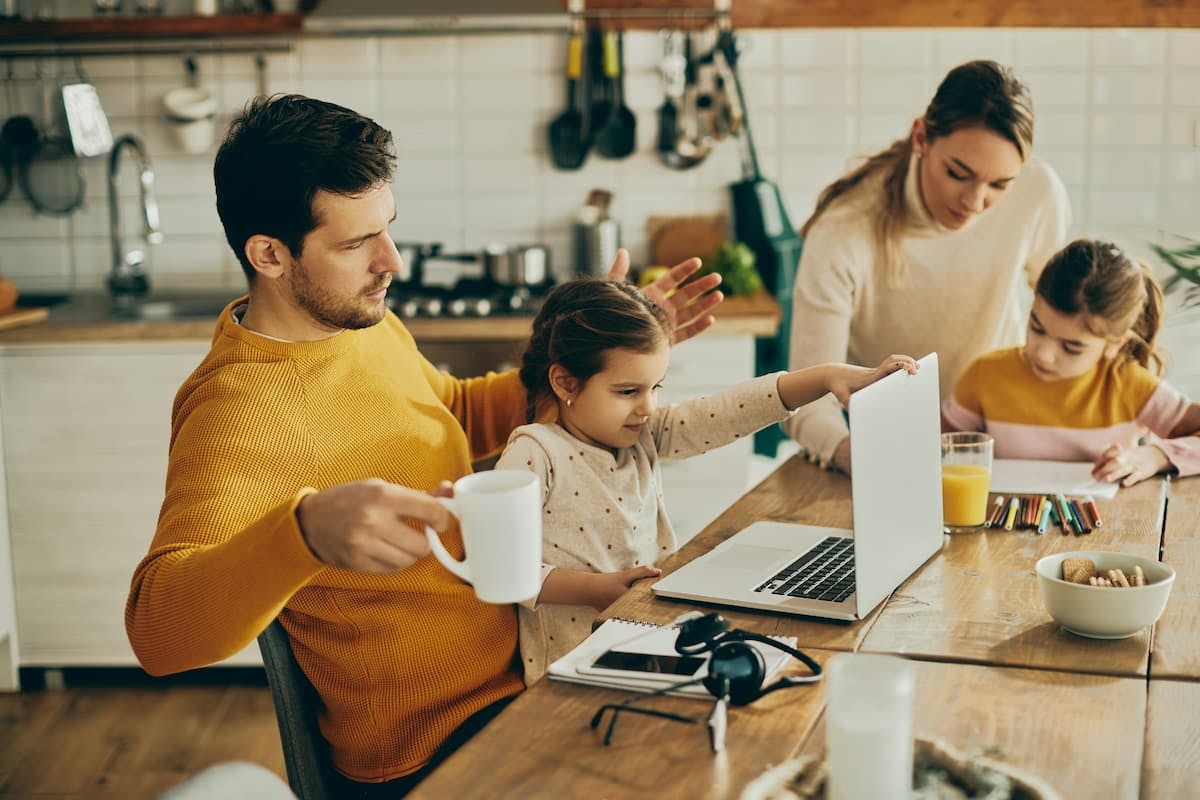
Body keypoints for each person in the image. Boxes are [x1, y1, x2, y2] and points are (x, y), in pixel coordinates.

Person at [123, 94, 724, 796]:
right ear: (269, 255)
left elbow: (454, 415)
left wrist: (594, 371)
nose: (392, 262)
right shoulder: (235, 411)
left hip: (533, 668)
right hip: (435, 751)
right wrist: (302, 534)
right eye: (356, 244)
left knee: (736, 727)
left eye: (388, 230)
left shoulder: (361, 325)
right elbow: (157, 634)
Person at [494, 278, 918, 683]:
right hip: (570, 670)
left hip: (646, 643)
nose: (647, 406)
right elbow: (497, 565)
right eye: (627, 392)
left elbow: (728, 409)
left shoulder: (643, 436)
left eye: (655, 387)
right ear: (565, 382)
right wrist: (592, 590)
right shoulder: (535, 453)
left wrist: (826, 377)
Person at [785, 60, 1071, 473]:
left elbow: (1070, 317)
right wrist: (851, 452)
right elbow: (807, 398)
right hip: (889, 443)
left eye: (999, 185)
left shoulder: (1037, 192)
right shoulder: (843, 230)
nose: (975, 203)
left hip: (1006, 436)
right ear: (921, 137)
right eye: (958, 173)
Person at [943, 239, 1200, 487]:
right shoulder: (986, 374)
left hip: (1107, 525)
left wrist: (1156, 456)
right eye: (1036, 327)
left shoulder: (1128, 383)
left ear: (1115, 344)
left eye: (1071, 347)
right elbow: (935, 447)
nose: (1043, 354)